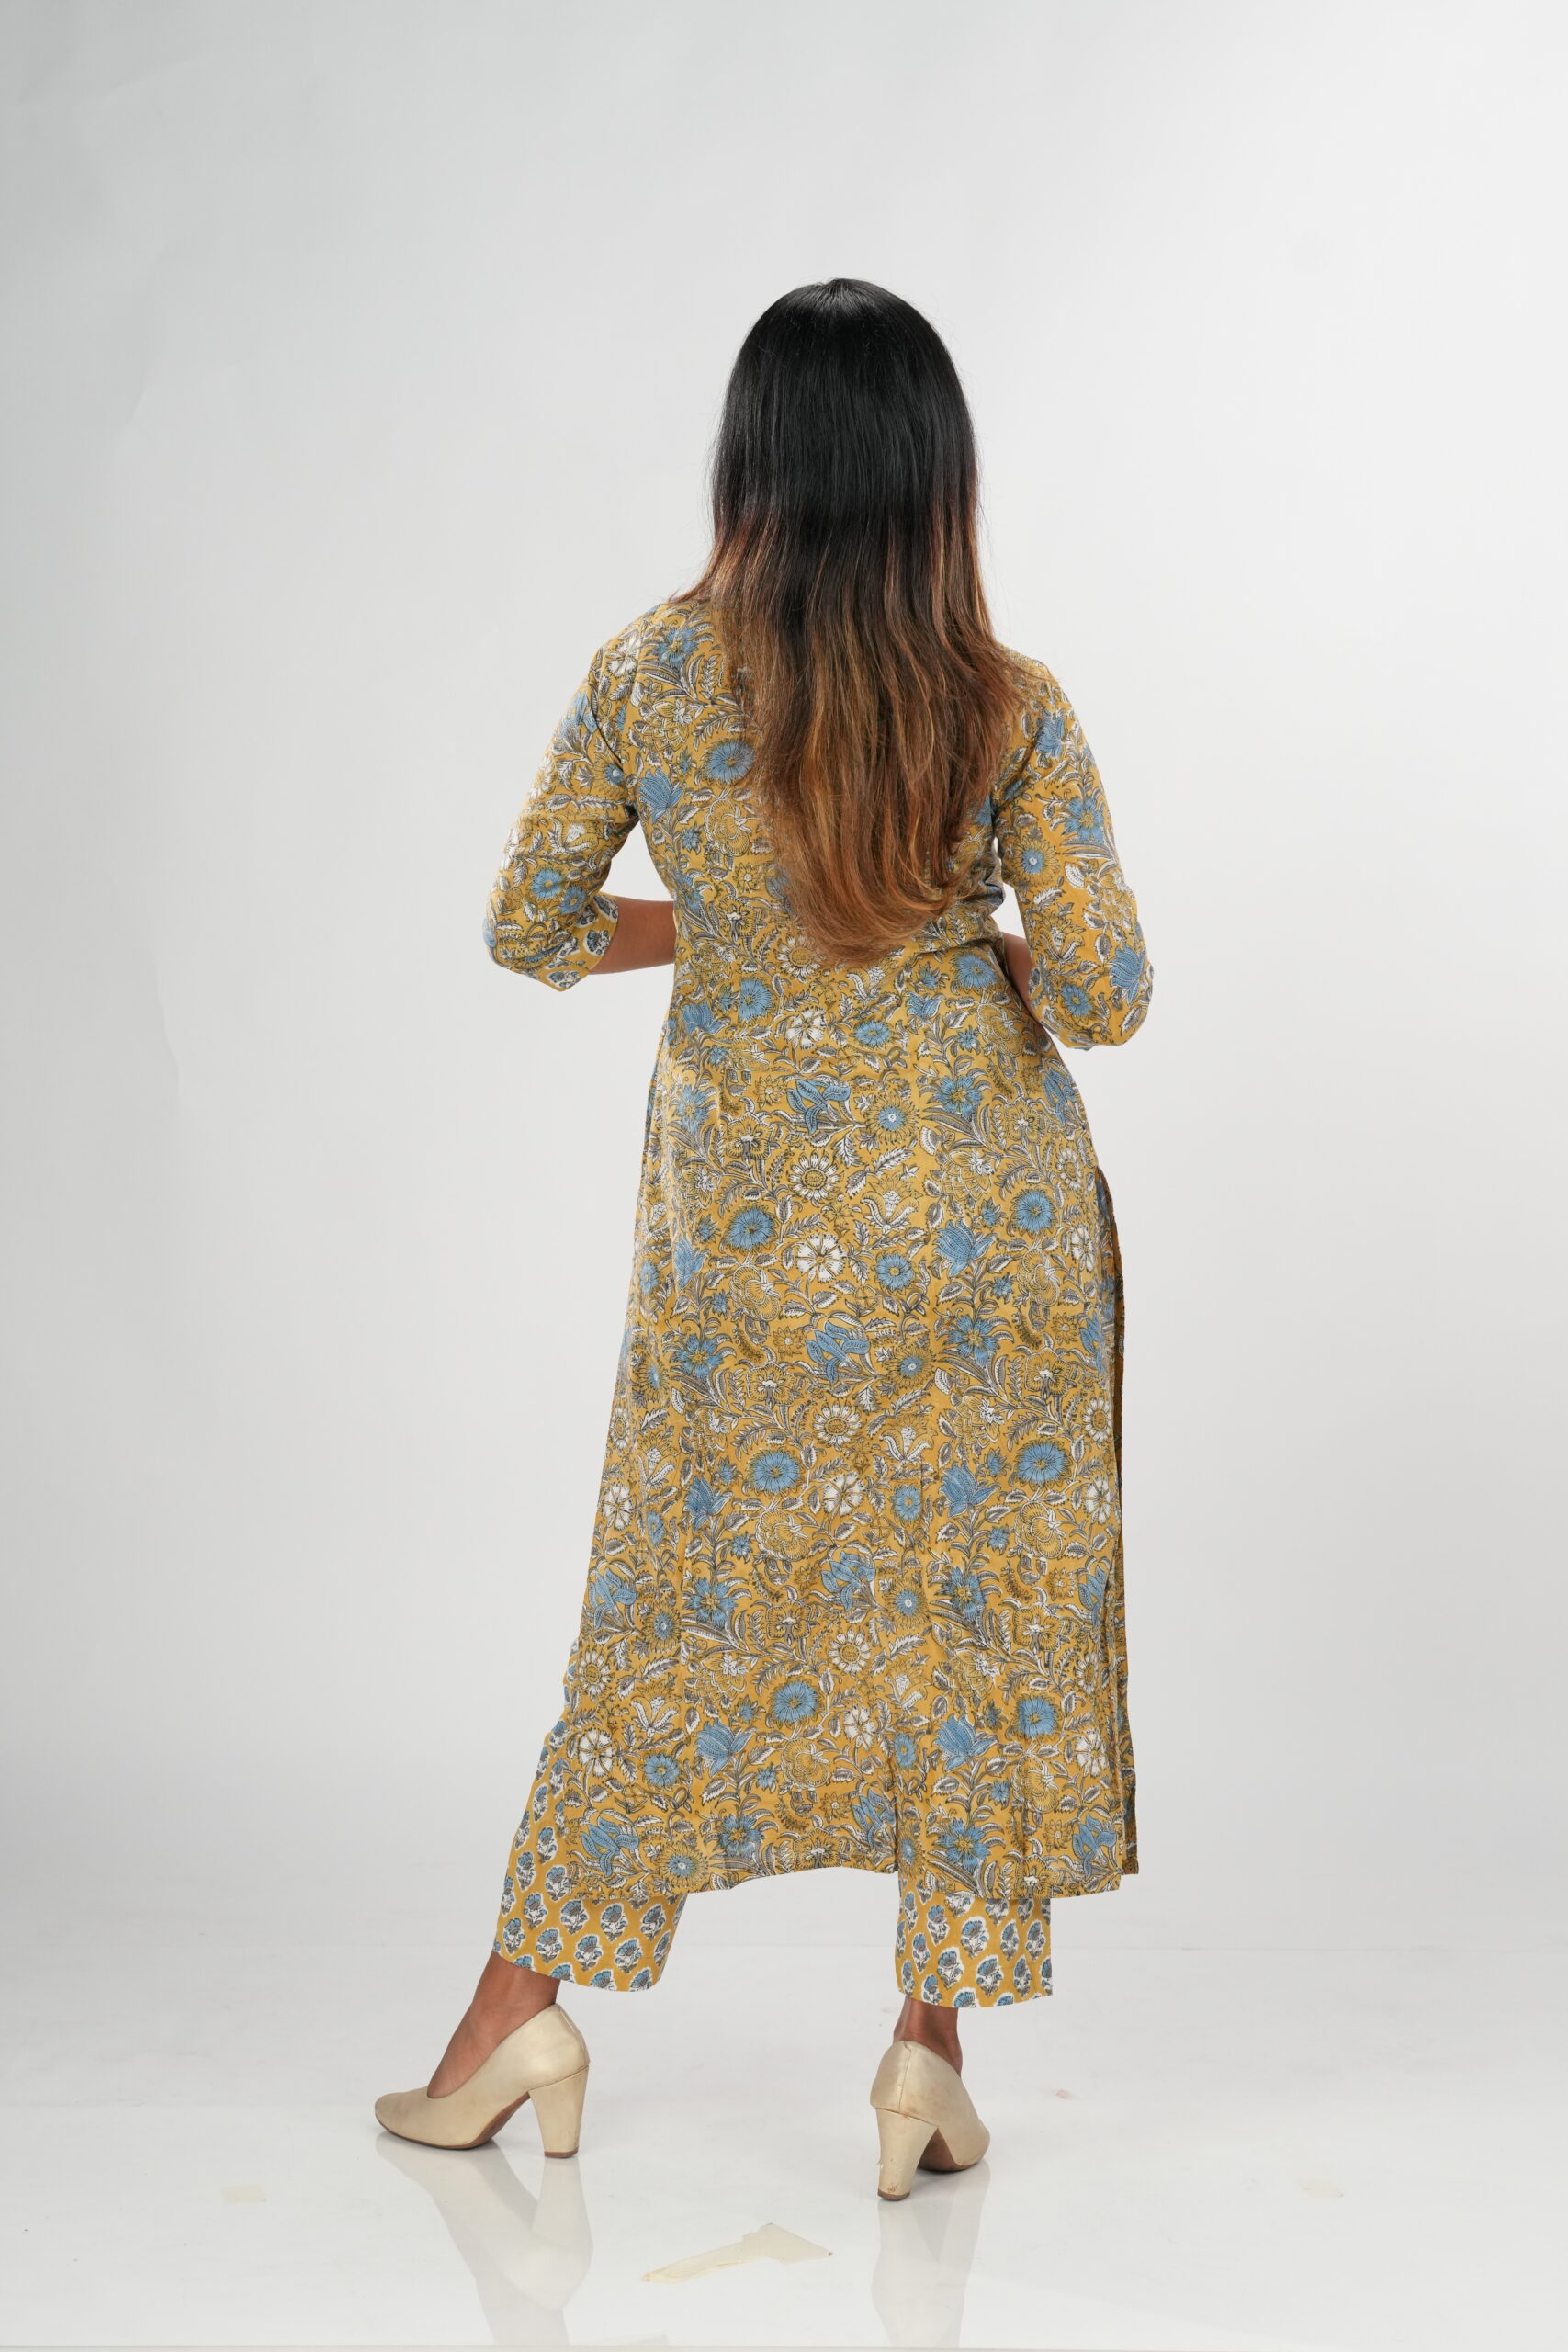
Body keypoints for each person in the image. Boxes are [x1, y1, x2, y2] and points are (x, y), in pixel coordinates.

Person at [375, 278, 1154, 2200]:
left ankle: (513, 2016)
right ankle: (923, 2056)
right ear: (932, 476)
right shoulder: (1005, 701)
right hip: (986, 1233)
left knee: (665, 1605)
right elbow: (1112, 993)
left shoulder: (647, 676)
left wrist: (723, 926)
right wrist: (968, 943)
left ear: (752, 461)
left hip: (746, 1252)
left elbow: (530, 922)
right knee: (964, 1608)